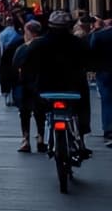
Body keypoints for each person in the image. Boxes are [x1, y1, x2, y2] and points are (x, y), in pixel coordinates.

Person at [23, 9, 92, 157]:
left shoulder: (38, 44)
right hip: (74, 88)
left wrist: (29, 78)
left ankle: (42, 136)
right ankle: (81, 139)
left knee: (39, 108)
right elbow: (91, 62)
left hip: (46, 88)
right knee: (81, 109)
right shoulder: (79, 44)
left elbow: (27, 65)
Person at [11, 21, 46, 152]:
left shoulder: (24, 48)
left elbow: (15, 65)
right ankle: (41, 137)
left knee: (25, 113)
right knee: (40, 112)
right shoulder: (46, 45)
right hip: (42, 83)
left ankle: (26, 139)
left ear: (29, 33)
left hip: (26, 83)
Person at [88, 13, 112, 148]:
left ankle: (109, 129)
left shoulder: (99, 35)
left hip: (104, 71)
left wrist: (92, 68)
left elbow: (91, 52)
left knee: (107, 100)